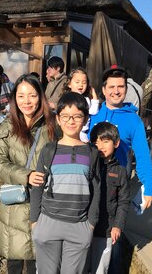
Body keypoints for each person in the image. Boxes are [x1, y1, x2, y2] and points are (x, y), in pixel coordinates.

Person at [88, 64, 152, 274]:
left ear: (126, 89)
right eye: (112, 86)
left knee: (113, 236)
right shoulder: (94, 113)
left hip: (117, 185)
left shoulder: (133, 120)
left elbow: (142, 154)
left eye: (121, 87)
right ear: (104, 89)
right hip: (91, 180)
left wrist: (149, 185)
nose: (116, 91)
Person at [0, 74, 56, 274]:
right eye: (21, 96)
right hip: (15, 207)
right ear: (14, 99)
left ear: (41, 97)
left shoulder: (52, 126)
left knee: (38, 262)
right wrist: (25, 175)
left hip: (44, 204)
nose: (27, 101)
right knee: (15, 263)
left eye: (33, 96)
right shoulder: (7, 127)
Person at [30, 92, 101, 274]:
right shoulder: (49, 149)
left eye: (77, 116)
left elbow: (97, 189)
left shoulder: (92, 152)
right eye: (65, 116)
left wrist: (90, 224)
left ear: (85, 119)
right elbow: (38, 186)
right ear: (58, 120)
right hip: (48, 222)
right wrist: (34, 222)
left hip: (79, 225)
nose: (71, 121)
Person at [89, 122, 130, 274]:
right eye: (95, 142)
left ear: (116, 143)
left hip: (106, 230)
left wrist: (117, 225)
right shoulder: (88, 167)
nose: (100, 146)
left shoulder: (120, 172)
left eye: (105, 141)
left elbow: (123, 201)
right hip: (85, 228)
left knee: (100, 269)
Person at [62, 67, 99, 142]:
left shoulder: (86, 99)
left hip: (82, 133)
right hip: (67, 131)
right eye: (77, 82)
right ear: (69, 84)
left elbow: (94, 111)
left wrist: (94, 96)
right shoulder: (65, 99)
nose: (81, 85)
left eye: (84, 82)